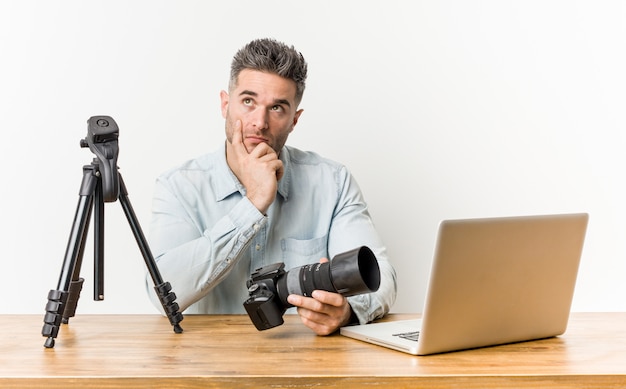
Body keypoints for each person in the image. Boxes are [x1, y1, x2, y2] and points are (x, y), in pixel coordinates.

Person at [146, 38, 396, 335]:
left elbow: (382, 278)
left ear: (294, 120)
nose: (260, 122)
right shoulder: (179, 186)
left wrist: (348, 311)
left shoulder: (332, 182)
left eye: (277, 107)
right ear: (226, 104)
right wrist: (252, 206)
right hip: (209, 365)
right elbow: (163, 294)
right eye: (248, 102)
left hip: (306, 364)